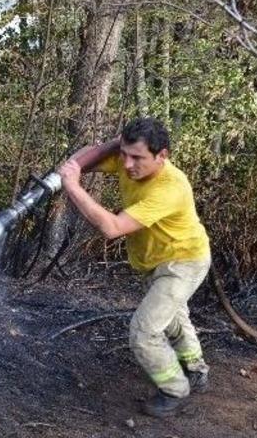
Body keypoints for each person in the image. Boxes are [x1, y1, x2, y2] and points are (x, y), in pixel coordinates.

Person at [57, 117, 211, 418]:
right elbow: (81, 162)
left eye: (137, 157)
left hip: (184, 261)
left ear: (161, 155)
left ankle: (175, 389)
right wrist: (111, 147)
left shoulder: (170, 187)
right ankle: (196, 369)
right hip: (154, 260)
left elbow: (113, 228)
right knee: (170, 319)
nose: (127, 165)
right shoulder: (128, 160)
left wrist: (73, 188)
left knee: (144, 331)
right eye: (124, 154)